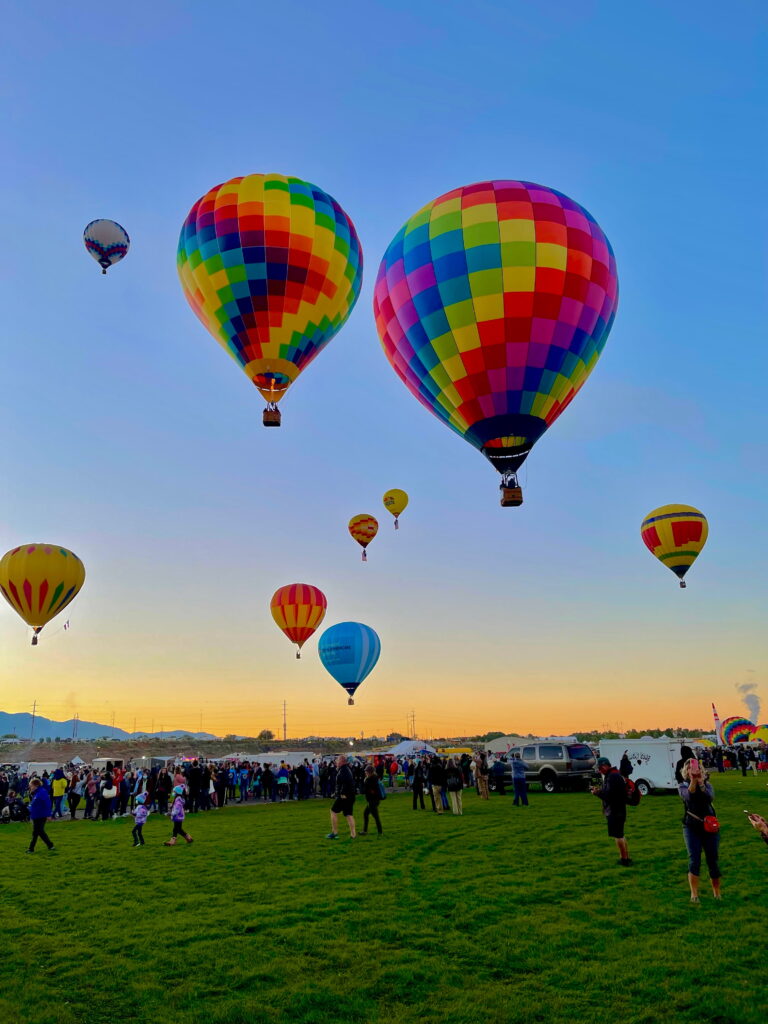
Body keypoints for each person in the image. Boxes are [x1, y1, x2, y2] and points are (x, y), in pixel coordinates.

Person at [679, 757, 721, 902]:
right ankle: (694, 894)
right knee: (694, 859)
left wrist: (701, 783)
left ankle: (717, 893)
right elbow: (688, 797)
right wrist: (693, 781)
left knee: (713, 859)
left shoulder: (708, 785)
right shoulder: (682, 786)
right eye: (690, 768)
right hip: (691, 827)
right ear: (686, 771)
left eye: (696, 768)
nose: (694, 770)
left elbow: (709, 798)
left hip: (709, 827)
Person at [591, 756, 631, 866]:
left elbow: (609, 796)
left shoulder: (612, 776)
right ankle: (626, 857)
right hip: (619, 809)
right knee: (620, 835)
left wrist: (597, 793)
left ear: (605, 766)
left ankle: (624, 859)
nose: (599, 771)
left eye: (600, 768)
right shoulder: (614, 774)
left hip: (615, 810)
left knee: (618, 835)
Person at [326, 755, 356, 839]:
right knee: (348, 814)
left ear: (342, 761)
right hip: (350, 796)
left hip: (344, 796)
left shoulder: (344, 770)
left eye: (337, 760)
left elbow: (345, 783)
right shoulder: (345, 769)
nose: (336, 762)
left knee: (333, 811)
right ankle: (353, 834)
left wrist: (342, 794)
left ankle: (334, 832)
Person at [26, 778, 55, 854]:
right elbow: (33, 803)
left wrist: (48, 815)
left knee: (36, 832)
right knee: (40, 832)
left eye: (31, 786)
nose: (30, 787)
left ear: (36, 785)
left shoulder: (42, 792)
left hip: (41, 815)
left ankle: (31, 848)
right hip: (36, 815)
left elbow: (47, 804)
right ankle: (50, 845)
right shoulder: (36, 792)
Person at [361, 765, 383, 836]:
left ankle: (380, 832)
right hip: (374, 800)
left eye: (366, 771)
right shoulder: (374, 778)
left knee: (375, 816)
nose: (365, 772)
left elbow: (367, 790)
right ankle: (365, 831)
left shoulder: (371, 779)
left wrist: (365, 781)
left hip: (372, 801)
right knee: (366, 814)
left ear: (370, 772)